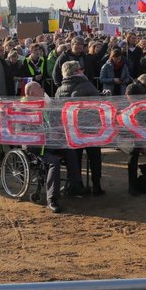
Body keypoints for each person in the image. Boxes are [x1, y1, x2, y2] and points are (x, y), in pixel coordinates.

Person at [55, 60, 103, 196]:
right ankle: (96, 185)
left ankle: (76, 185)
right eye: (80, 69)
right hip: (89, 128)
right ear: (77, 71)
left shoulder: (60, 89)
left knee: (75, 158)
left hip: (71, 129)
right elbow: (97, 105)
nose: (83, 70)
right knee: (94, 157)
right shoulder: (87, 85)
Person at [24, 81, 63, 213]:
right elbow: (24, 131)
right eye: (40, 88)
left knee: (71, 151)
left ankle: (75, 185)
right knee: (54, 162)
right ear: (32, 93)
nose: (43, 90)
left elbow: (51, 121)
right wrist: (46, 134)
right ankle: (52, 199)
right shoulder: (23, 108)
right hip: (35, 147)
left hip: (48, 142)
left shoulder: (44, 104)